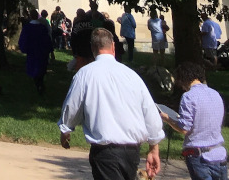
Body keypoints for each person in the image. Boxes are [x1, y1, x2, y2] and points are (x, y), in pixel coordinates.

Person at [59, 27, 163, 180]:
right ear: (113, 46)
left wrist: (65, 130)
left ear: (93, 48)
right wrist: (154, 147)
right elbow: (149, 111)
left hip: (105, 153)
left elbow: (72, 106)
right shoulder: (131, 75)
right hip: (132, 153)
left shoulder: (85, 74)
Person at [161, 60, 227, 180]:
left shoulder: (188, 97)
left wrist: (168, 119)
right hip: (219, 153)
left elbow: (185, 128)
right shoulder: (215, 94)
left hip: (199, 156)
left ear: (183, 79)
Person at [19, 10, 52, 94]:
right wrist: (49, 50)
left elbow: (23, 39)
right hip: (41, 51)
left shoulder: (27, 28)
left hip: (32, 51)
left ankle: (38, 84)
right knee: (41, 68)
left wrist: (24, 48)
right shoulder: (42, 27)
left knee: (34, 69)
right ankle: (40, 84)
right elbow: (47, 39)